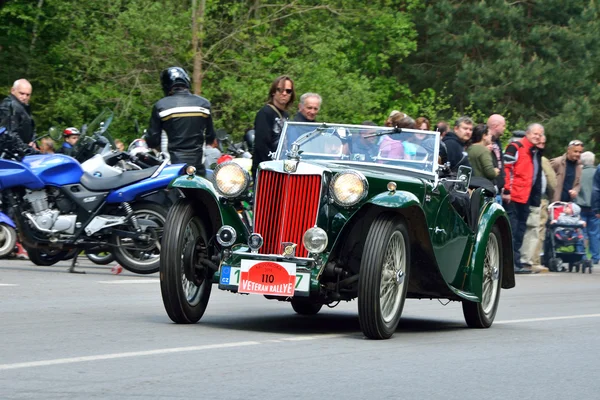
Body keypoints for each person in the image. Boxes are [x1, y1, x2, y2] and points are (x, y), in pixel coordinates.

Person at [145, 66, 215, 176]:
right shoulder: (204, 105)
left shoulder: (161, 106)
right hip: (198, 167)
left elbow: (152, 140)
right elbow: (210, 137)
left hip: (172, 168)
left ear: (166, 85)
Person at [503, 123, 543, 274]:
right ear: (527, 133)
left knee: (520, 231)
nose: (537, 136)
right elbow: (506, 169)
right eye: (535, 133)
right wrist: (506, 190)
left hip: (525, 197)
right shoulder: (515, 147)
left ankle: (516, 262)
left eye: (539, 134)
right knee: (512, 231)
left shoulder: (534, 151)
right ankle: (509, 264)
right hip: (513, 196)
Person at [252, 75, 295, 179]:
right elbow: (261, 146)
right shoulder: (265, 113)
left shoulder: (286, 115)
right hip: (267, 171)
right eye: (280, 90)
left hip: (282, 170)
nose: (284, 93)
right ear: (273, 92)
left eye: (288, 91)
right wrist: (270, 168)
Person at [576, 151, 599, 264]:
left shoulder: (580, 173)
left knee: (581, 232)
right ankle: (595, 257)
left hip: (581, 206)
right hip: (595, 208)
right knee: (594, 233)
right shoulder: (597, 172)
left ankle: (581, 255)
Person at [0, 79, 35, 148]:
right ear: (13, 90)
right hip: (12, 153)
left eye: (28, 95)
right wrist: (27, 148)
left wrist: (33, 142)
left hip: (19, 151)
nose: (24, 97)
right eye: (21, 93)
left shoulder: (24, 108)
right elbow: (10, 134)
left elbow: (30, 129)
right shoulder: (10, 106)